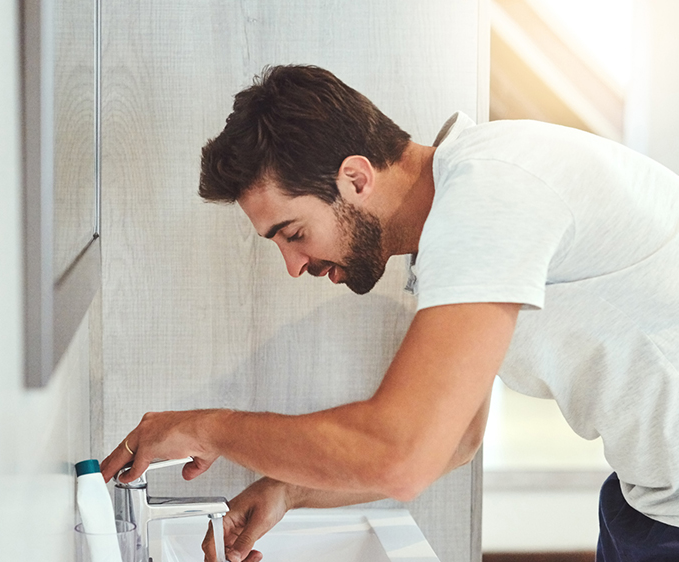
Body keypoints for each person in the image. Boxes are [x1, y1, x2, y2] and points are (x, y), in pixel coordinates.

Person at [100, 65, 679, 562]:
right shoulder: (463, 222)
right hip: (644, 504)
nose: (294, 266)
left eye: (293, 233)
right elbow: (453, 442)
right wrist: (290, 491)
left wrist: (209, 428)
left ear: (355, 177)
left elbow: (401, 455)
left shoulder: (494, 194)